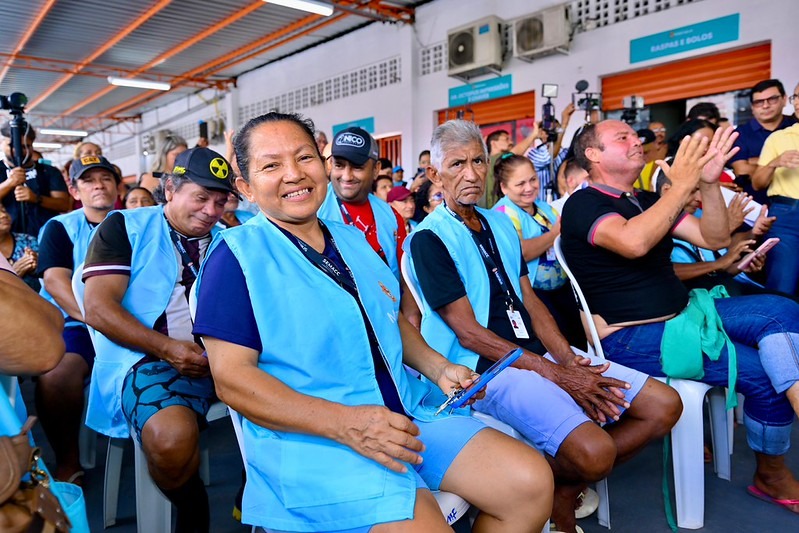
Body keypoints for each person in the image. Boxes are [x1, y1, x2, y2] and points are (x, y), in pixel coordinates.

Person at [194, 111, 553, 533]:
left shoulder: (350, 239)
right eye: (271, 165)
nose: (293, 174)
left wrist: (440, 368)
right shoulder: (235, 257)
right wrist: (346, 424)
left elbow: (386, 317)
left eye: (304, 157)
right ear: (245, 188)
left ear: (323, 165)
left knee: (530, 484)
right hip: (318, 440)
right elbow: (233, 380)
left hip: (404, 413)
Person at [406, 119, 681, 533]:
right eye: (457, 164)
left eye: (478, 161)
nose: (471, 174)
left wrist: (567, 360)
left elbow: (530, 301)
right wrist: (557, 374)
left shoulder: (499, 223)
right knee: (596, 454)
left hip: (535, 353)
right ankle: (560, 490)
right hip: (483, 369)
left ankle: (561, 489)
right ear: (434, 173)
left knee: (664, 405)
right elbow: (468, 333)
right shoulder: (429, 238)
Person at [561, 119, 799, 513]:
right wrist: (682, 186)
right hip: (630, 338)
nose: (637, 141)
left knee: (782, 308)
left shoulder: (644, 198)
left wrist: (708, 183)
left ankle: (788, 404)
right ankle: (771, 473)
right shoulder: (583, 204)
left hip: (685, 315)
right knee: (762, 373)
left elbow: (714, 237)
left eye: (635, 135)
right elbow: (634, 242)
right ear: (592, 155)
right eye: (622, 137)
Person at [81, 147, 234, 532]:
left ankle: (251, 497)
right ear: (169, 190)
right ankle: (193, 511)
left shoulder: (230, 239)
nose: (211, 211)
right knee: (170, 441)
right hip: (151, 359)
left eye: (220, 202)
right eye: (201, 197)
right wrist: (168, 349)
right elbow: (97, 309)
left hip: (227, 359)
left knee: (306, 396)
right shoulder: (124, 227)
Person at [35, 155, 121, 484]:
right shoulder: (60, 227)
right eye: (88, 180)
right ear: (74, 190)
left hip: (133, 320)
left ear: (117, 187)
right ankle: (68, 460)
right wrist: (96, 319)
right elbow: (55, 281)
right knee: (57, 375)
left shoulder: (136, 223)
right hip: (79, 322)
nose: (99, 185)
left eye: (106, 178)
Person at [491, 154, 585, 347]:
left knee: (577, 343)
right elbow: (521, 253)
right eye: (520, 184)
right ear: (504, 187)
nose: (529, 187)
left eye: (533, 179)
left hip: (562, 289)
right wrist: (554, 233)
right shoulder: (502, 213)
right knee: (554, 346)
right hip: (532, 295)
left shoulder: (543, 207)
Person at [318, 127, 406, 280]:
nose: (347, 176)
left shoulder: (391, 217)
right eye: (339, 165)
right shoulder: (313, 210)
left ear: (376, 169)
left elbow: (404, 279)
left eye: (357, 167)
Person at [752, 81, 799, 296]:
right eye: (796, 97)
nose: (797, 103)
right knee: (781, 286)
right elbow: (757, 183)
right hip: (785, 215)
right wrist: (775, 162)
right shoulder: (779, 138)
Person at [730, 79, 798, 203]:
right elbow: (742, 170)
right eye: (758, 102)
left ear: (784, 99)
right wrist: (777, 162)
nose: (765, 106)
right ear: (752, 107)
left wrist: (754, 161)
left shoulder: (795, 126)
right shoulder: (740, 134)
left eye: (772, 99)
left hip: (791, 201)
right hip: (755, 204)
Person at [0, 122, 71, 237]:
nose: (17, 151)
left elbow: (63, 205)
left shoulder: (49, 171)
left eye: (25, 146)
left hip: (46, 236)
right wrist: (9, 183)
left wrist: (36, 198)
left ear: (32, 145)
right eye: (11, 145)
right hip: (6, 240)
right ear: (1, 143)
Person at [480, 122, 543, 209]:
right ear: (493, 143)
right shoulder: (496, 160)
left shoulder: (485, 163)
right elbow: (515, 152)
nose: (511, 142)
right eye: (506, 139)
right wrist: (534, 134)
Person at [527, 103, 577, 203]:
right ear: (541, 133)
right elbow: (550, 156)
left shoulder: (565, 152)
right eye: (551, 130)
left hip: (562, 204)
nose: (555, 133)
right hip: (542, 205)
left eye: (557, 130)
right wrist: (564, 125)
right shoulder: (534, 154)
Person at [0, 204, 39, 290]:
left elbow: (48, 271)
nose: (4, 215)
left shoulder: (27, 240)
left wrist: (36, 264)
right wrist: (13, 273)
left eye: (4, 210)